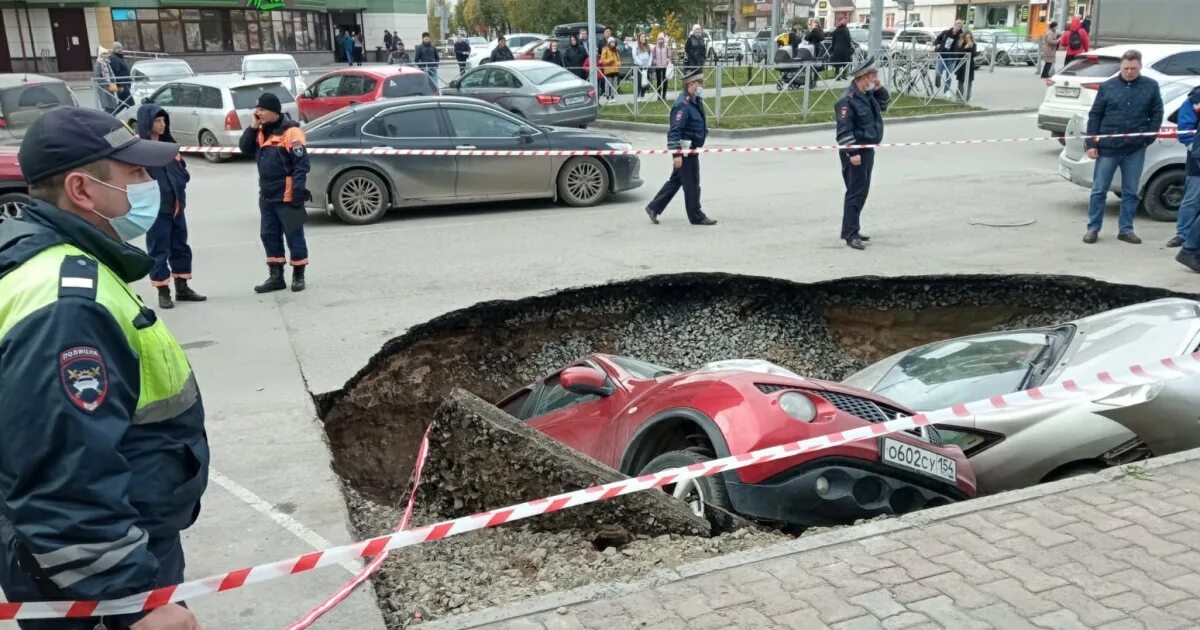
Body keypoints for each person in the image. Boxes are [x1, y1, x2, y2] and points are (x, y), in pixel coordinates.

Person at [0, 107, 208, 630]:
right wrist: (133, 605)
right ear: (82, 189)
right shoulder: (66, 305)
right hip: (98, 584)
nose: (148, 183)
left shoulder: (65, 262)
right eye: (133, 173)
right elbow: (65, 480)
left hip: (116, 552)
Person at [1082, 49, 1162, 245]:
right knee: (1099, 190)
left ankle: (1126, 229)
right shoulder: (1108, 87)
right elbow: (1095, 115)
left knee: (1131, 192)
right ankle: (1093, 228)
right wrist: (1091, 142)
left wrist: (1147, 138)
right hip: (1108, 148)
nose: (1129, 72)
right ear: (1120, 66)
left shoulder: (1150, 86)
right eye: (1126, 68)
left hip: (1135, 149)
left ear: (1140, 66)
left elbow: (1157, 113)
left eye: (1133, 68)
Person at [239, 91, 311, 292]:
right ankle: (276, 276)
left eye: (261, 109)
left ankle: (298, 274)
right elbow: (244, 148)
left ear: (273, 111)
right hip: (267, 195)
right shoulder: (260, 131)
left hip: (288, 194)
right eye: (257, 109)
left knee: (294, 235)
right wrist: (253, 127)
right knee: (269, 235)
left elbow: (301, 165)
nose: (258, 113)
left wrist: (297, 191)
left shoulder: (291, 132)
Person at [138, 104, 204, 310]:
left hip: (176, 207)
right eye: (158, 121)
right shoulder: (140, 150)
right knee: (159, 251)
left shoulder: (169, 146)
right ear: (147, 123)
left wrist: (181, 179)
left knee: (180, 247)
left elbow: (182, 170)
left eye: (164, 120)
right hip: (156, 211)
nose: (162, 124)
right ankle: (163, 292)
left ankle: (182, 288)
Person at [644, 69, 717, 227]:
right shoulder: (682, 105)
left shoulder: (694, 99)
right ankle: (696, 216)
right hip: (685, 152)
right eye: (700, 83)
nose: (702, 86)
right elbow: (674, 131)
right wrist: (676, 154)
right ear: (691, 84)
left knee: (676, 181)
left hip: (690, 149)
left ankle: (653, 207)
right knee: (692, 184)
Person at [835, 56, 890, 250]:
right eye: (873, 76)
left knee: (863, 191)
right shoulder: (847, 101)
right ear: (862, 77)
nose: (875, 78)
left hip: (868, 150)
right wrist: (852, 153)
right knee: (855, 193)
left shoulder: (867, 95)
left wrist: (879, 89)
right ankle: (851, 235)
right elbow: (843, 131)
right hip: (855, 152)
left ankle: (852, 228)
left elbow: (884, 105)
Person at [1171, 86, 1200, 253]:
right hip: (1197, 159)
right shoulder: (1196, 98)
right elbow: (1185, 129)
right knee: (1191, 200)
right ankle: (1183, 235)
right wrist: (1195, 149)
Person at [934, 20, 964, 96]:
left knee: (949, 77)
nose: (958, 26)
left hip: (951, 58)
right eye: (957, 24)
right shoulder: (946, 33)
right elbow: (937, 39)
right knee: (938, 73)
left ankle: (946, 92)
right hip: (942, 56)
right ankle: (937, 83)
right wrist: (937, 44)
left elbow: (962, 46)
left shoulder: (961, 36)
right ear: (954, 24)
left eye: (960, 25)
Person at [92, 47, 120, 115]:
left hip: (110, 87)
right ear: (100, 55)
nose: (106, 55)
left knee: (113, 105)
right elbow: (97, 77)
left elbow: (111, 74)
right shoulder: (98, 64)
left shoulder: (107, 63)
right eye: (104, 53)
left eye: (106, 53)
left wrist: (113, 82)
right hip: (104, 89)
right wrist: (106, 84)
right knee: (108, 106)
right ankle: (110, 119)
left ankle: (113, 118)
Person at [109, 42, 134, 111]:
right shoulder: (114, 58)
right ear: (113, 49)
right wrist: (120, 85)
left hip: (125, 83)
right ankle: (112, 114)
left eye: (120, 48)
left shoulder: (119, 57)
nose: (119, 49)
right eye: (117, 48)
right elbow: (117, 73)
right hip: (122, 84)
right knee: (131, 103)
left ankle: (112, 114)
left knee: (123, 102)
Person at [955, 30, 977, 101]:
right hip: (961, 64)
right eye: (967, 37)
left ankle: (967, 96)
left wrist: (970, 47)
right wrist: (965, 48)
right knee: (960, 80)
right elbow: (959, 54)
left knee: (969, 81)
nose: (968, 39)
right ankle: (959, 96)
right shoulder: (960, 44)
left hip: (970, 65)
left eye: (969, 37)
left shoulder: (973, 44)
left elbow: (973, 54)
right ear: (964, 38)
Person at [650, 34, 671, 101]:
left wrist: (668, 61)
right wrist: (655, 62)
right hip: (658, 66)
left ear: (663, 40)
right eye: (659, 39)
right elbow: (652, 56)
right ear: (657, 40)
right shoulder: (655, 48)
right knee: (658, 81)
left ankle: (664, 95)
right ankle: (659, 96)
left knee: (665, 81)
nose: (660, 40)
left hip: (665, 66)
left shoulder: (667, 47)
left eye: (661, 39)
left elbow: (669, 56)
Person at [634, 33, 651, 100]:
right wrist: (639, 62)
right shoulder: (636, 46)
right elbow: (634, 55)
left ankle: (642, 95)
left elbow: (650, 56)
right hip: (638, 66)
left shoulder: (648, 46)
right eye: (642, 37)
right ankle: (637, 96)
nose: (643, 38)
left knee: (645, 81)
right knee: (639, 81)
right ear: (639, 38)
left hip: (646, 66)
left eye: (644, 37)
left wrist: (649, 63)